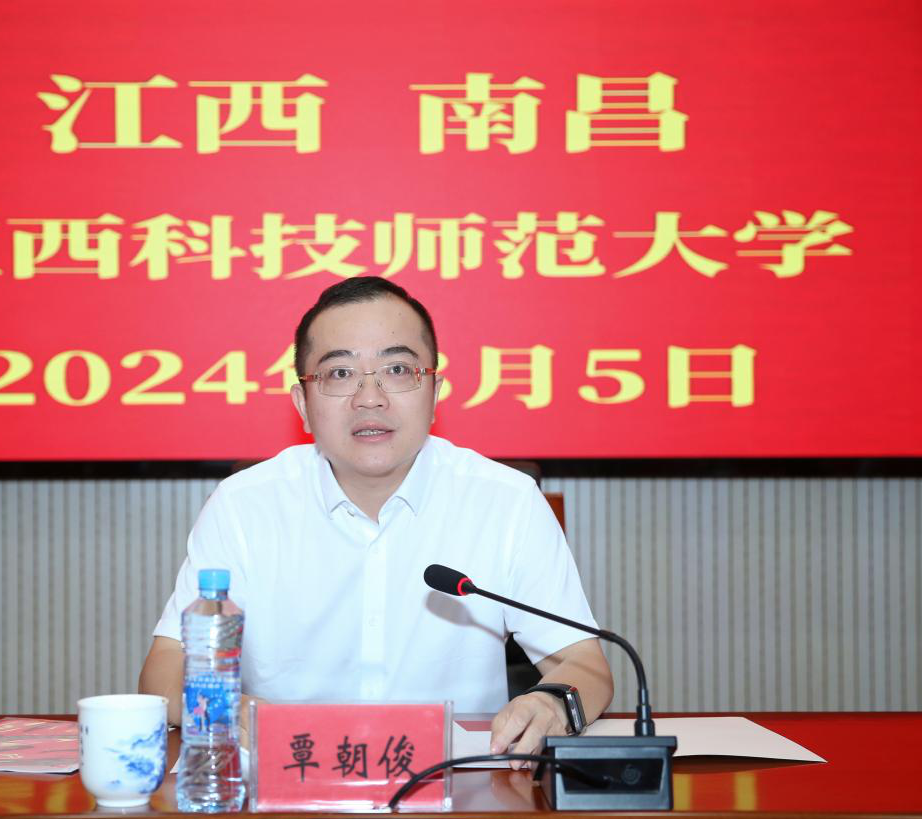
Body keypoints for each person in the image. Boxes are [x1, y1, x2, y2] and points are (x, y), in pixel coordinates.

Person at [139, 276, 613, 766]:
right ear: (303, 404)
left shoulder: (505, 501)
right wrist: (226, 709)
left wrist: (552, 703)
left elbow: (586, 665)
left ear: (434, 392)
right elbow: (164, 670)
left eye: (398, 369)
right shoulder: (244, 505)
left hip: (460, 789)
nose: (370, 398)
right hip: (288, 781)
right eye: (340, 373)